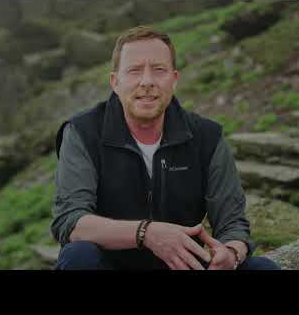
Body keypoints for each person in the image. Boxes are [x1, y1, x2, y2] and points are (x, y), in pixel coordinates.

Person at [51, 25, 280, 271]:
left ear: (174, 79)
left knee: (262, 268)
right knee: (79, 256)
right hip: (109, 265)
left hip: (182, 265)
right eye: (135, 70)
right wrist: (146, 233)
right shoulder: (82, 132)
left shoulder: (207, 136)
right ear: (115, 82)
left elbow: (232, 223)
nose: (147, 81)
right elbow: (71, 222)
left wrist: (232, 252)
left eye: (159, 70)